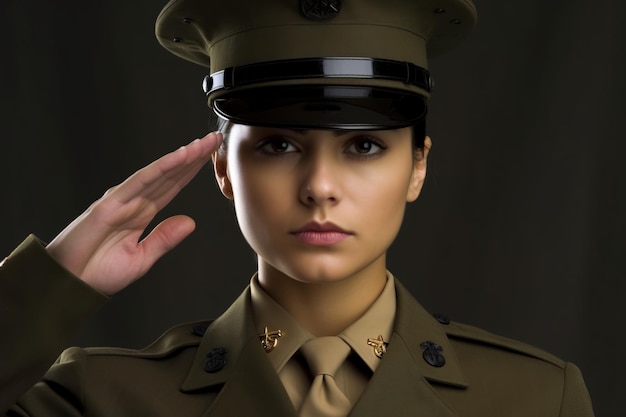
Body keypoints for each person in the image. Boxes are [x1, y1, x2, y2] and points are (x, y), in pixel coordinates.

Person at [0, 0, 595, 416]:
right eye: (278, 145)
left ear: (417, 167)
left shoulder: (536, 398)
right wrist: (50, 285)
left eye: (364, 146)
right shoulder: (102, 397)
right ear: (225, 171)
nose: (320, 187)